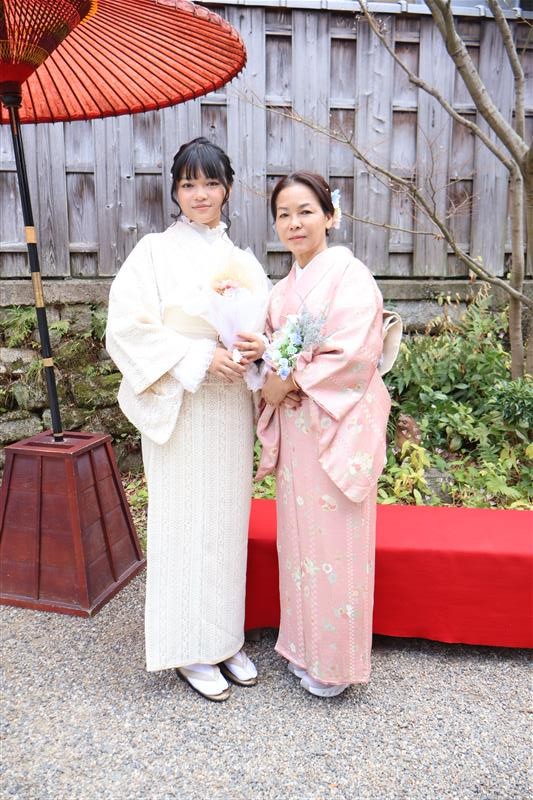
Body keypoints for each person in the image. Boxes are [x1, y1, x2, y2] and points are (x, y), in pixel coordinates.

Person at [106, 137, 268, 701]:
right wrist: (199, 356)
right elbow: (127, 328)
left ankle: (223, 638)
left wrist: (254, 349)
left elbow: (264, 325)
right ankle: (187, 646)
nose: (201, 194)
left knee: (226, 521)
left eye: (211, 183)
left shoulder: (243, 259)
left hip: (229, 404)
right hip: (183, 400)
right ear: (175, 192)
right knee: (183, 521)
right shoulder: (153, 252)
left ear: (228, 188)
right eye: (189, 184)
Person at [256, 171, 392, 697]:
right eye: (284, 214)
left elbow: (356, 353)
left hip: (336, 423)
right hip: (297, 427)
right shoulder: (281, 290)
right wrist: (267, 375)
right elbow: (270, 349)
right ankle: (302, 646)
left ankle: (335, 662)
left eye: (306, 211)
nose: (294, 223)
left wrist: (288, 380)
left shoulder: (351, 277)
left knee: (336, 544)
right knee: (298, 541)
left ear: (330, 217)